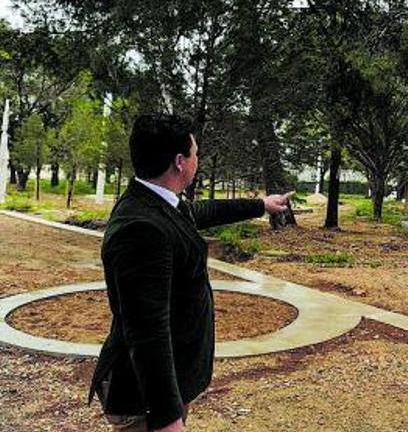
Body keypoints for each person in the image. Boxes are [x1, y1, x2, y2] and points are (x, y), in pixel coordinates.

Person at [88, 114, 290, 431]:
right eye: (195, 153)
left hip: (162, 391)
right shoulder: (141, 229)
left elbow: (197, 213)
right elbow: (147, 333)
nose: (198, 158)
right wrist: (167, 419)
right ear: (180, 162)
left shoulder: (155, 202)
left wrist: (260, 205)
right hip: (143, 401)